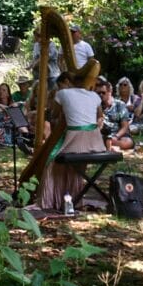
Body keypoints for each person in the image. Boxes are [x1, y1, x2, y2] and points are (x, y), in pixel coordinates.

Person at [37, 69, 108, 211]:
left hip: (75, 138)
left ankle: (51, 200)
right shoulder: (94, 95)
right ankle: (74, 196)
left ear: (69, 82)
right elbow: (100, 116)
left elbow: (55, 114)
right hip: (96, 140)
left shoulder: (62, 94)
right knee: (74, 165)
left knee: (51, 163)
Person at [99, 78, 135, 151]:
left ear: (110, 92)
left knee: (128, 142)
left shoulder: (119, 104)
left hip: (118, 135)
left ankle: (108, 145)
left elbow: (125, 126)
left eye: (103, 92)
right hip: (103, 135)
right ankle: (110, 145)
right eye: (98, 93)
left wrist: (116, 136)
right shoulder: (97, 105)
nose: (101, 95)